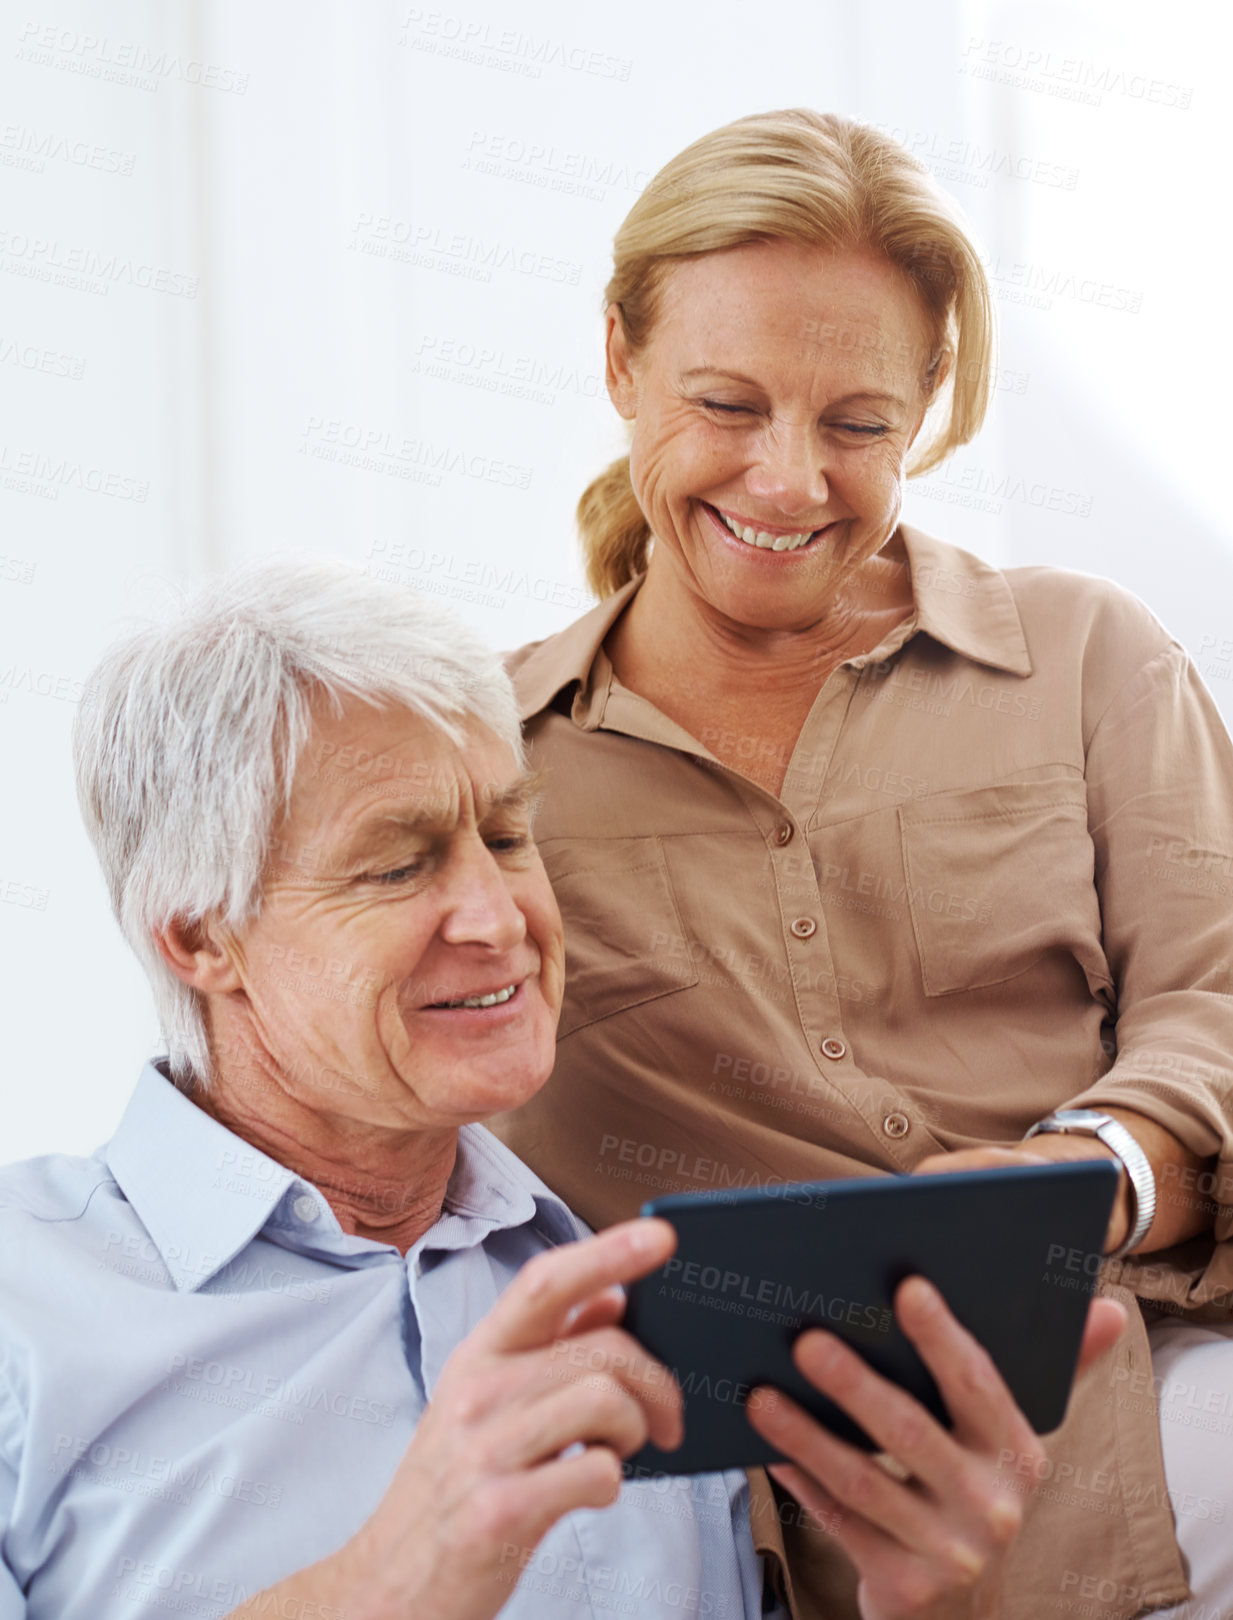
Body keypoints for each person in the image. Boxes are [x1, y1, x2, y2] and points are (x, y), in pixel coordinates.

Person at [0, 560, 1121, 1620]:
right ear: (202, 937)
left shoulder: (641, 1290)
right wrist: (397, 1580)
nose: (500, 920)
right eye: (397, 866)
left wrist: (941, 1606)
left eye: (505, 834)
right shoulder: (26, 1305)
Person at [488, 109, 1233, 1620]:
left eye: (855, 423)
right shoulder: (488, 766)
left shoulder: (1085, 658)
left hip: (1145, 1402)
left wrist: (1089, 1173)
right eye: (725, 403)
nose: (785, 482)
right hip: (740, 1518)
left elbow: (1215, 999)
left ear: (927, 407)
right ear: (620, 361)